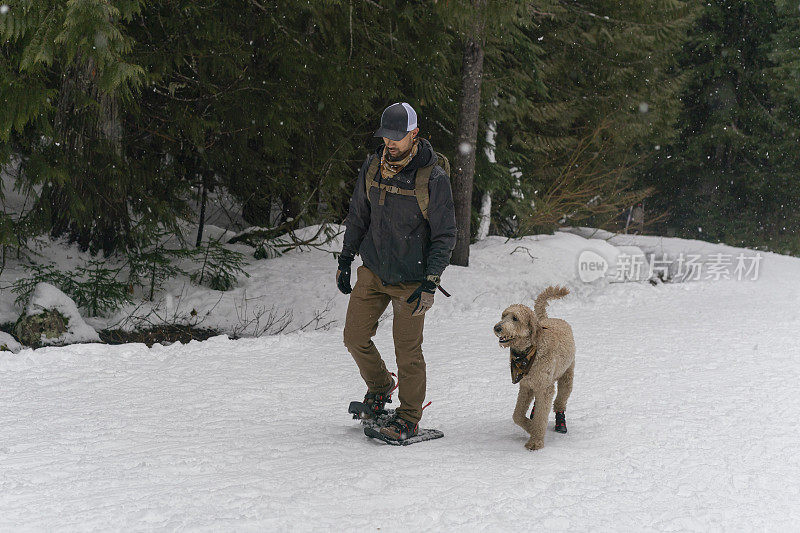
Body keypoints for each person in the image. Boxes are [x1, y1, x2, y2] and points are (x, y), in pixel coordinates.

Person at [336, 102, 457, 441]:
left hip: (412, 280)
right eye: (385, 136)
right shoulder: (373, 167)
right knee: (354, 337)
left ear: (414, 134)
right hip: (373, 270)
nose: (390, 143)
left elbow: (445, 234)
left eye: (398, 136)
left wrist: (431, 281)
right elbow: (359, 215)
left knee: (408, 351)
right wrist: (346, 259)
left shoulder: (432, 177)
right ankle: (380, 387)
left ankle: (408, 418)